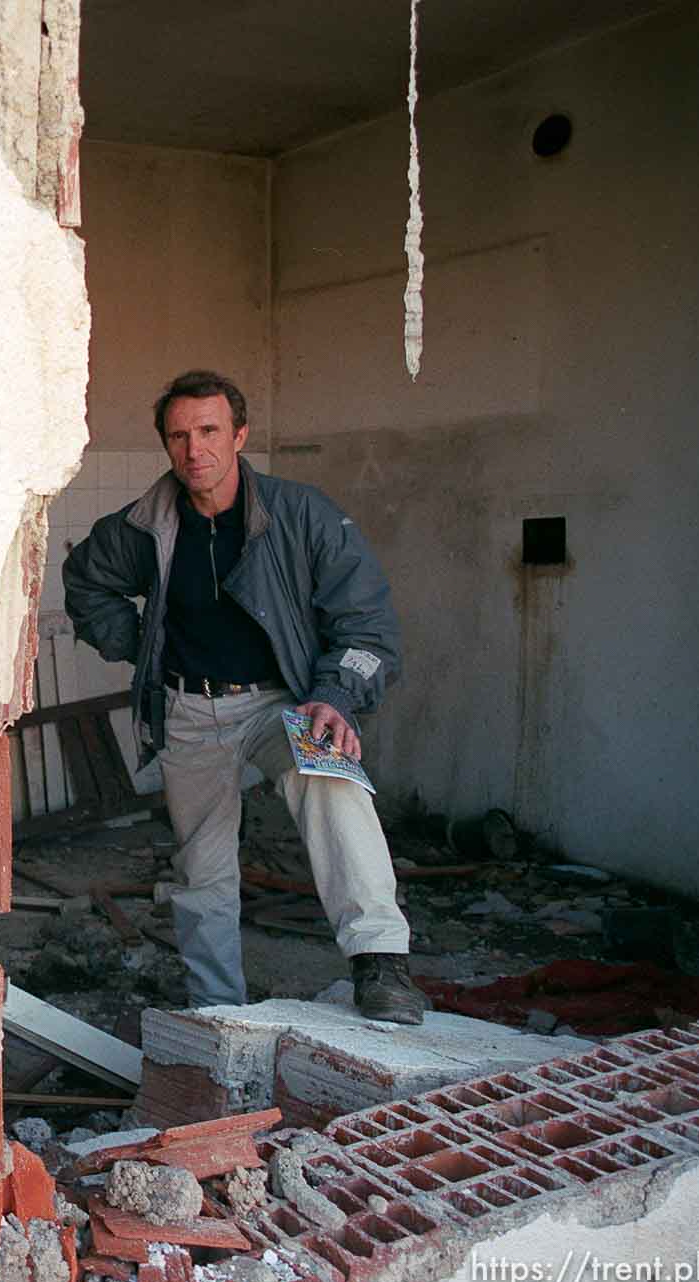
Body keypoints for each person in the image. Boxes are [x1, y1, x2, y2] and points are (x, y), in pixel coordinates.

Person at [61, 370, 429, 1024]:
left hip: (286, 702)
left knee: (333, 778)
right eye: (178, 436)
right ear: (166, 445)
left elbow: (368, 623)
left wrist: (337, 697)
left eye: (208, 431)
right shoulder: (144, 524)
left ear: (240, 435)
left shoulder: (301, 514)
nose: (193, 449)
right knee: (201, 871)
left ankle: (381, 961)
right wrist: (139, 641)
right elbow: (86, 580)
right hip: (190, 711)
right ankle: (218, 1012)